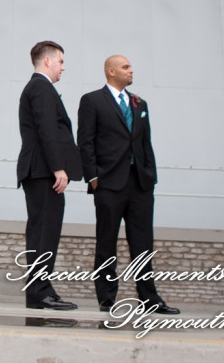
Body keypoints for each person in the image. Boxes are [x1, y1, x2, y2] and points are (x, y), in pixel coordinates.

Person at [76, 55, 179, 314]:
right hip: (108, 183)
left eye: (130, 67)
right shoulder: (92, 101)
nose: (131, 70)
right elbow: (85, 142)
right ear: (111, 72)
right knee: (106, 242)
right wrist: (93, 177)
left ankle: (149, 298)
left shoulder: (139, 102)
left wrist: (150, 175)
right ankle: (107, 299)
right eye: (125, 67)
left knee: (143, 243)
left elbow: (146, 142)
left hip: (140, 183)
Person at [16, 40, 83, 312]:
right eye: (61, 61)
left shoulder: (39, 88)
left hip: (41, 171)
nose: (63, 68)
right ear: (47, 61)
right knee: (44, 232)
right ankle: (40, 291)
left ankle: (39, 291)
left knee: (43, 231)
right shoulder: (41, 87)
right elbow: (47, 130)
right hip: (44, 171)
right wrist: (58, 168)